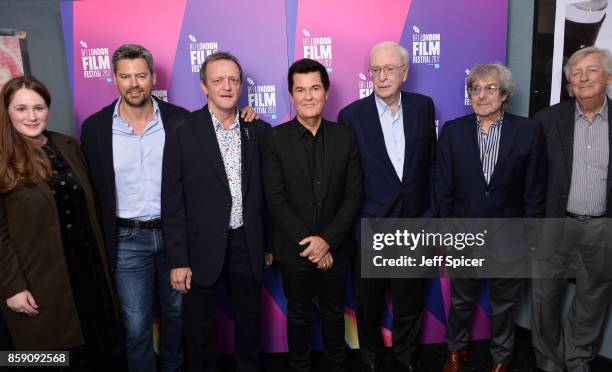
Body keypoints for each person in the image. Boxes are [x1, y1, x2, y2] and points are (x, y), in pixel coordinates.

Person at [80, 44, 186, 372]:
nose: (134, 83)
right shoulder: (96, 128)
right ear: (114, 79)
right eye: (125, 76)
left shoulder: (180, 121)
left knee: (177, 316)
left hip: (174, 237)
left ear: (153, 77)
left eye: (141, 75)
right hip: (127, 241)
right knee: (137, 326)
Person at [162, 51, 270, 372]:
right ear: (204, 86)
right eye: (218, 80)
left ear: (241, 86)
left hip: (246, 243)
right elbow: (172, 199)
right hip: (199, 249)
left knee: (250, 326)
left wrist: (267, 244)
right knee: (200, 331)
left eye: (233, 80)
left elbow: (268, 196)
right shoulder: (182, 130)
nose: (226, 86)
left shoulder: (258, 131)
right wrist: (178, 259)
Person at [0, 75, 117, 369]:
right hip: (39, 281)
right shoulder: (2, 158)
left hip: (87, 272)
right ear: (6, 111)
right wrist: (12, 287)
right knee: (46, 358)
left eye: (38, 107)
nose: (32, 116)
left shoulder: (67, 145)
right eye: (22, 109)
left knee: (95, 351)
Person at [435, 64, 546, 372]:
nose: (481, 95)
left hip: (511, 238)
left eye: (490, 88)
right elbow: (442, 187)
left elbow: (534, 190)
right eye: (475, 89)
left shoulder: (528, 131)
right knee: (461, 302)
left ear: (505, 94)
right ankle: (455, 350)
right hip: (463, 235)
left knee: (504, 306)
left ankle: (501, 357)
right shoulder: (453, 131)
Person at [338, 41, 436, 372]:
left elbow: (432, 165)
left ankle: (406, 358)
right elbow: (348, 180)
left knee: (410, 301)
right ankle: (370, 360)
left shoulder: (424, 108)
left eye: (390, 69)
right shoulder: (351, 116)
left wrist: (429, 218)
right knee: (368, 305)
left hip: (414, 224)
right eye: (376, 70)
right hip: (371, 227)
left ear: (404, 72)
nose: (382, 77)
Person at [262, 58, 363, 372]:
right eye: (300, 89)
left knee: (335, 313)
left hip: (336, 248)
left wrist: (327, 242)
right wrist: (313, 246)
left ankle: (336, 365)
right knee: (299, 313)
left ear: (326, 92)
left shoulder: (344, 137)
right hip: (295, 250)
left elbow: (354, 194)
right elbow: (276, 199)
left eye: (315, 88)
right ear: (291, 95)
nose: (308, 96)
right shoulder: (275, 139)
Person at [531, 46, 612, 372]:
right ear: (569, 83)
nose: (583, 78)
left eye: (592, 70)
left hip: (603, 226)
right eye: (576, 73)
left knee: (593, 299)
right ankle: (549, 361)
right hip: (556, 223)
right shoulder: (547, 120)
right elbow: (534, 180)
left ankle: (579, 359)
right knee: (544, 296)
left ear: (608, 77)